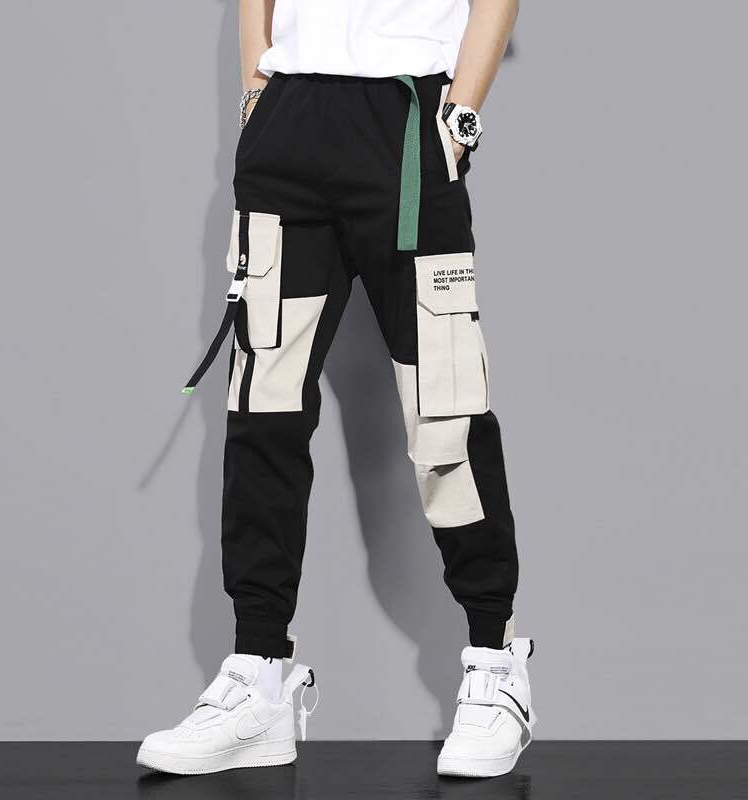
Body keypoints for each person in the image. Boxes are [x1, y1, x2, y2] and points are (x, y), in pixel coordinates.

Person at [138, 0, 534, 779]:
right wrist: (257, 94)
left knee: (446, 407)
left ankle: (496, 663)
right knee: (263, 410)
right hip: (289, 120)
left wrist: (459, 119)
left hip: (407, 120)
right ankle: (259, 675)